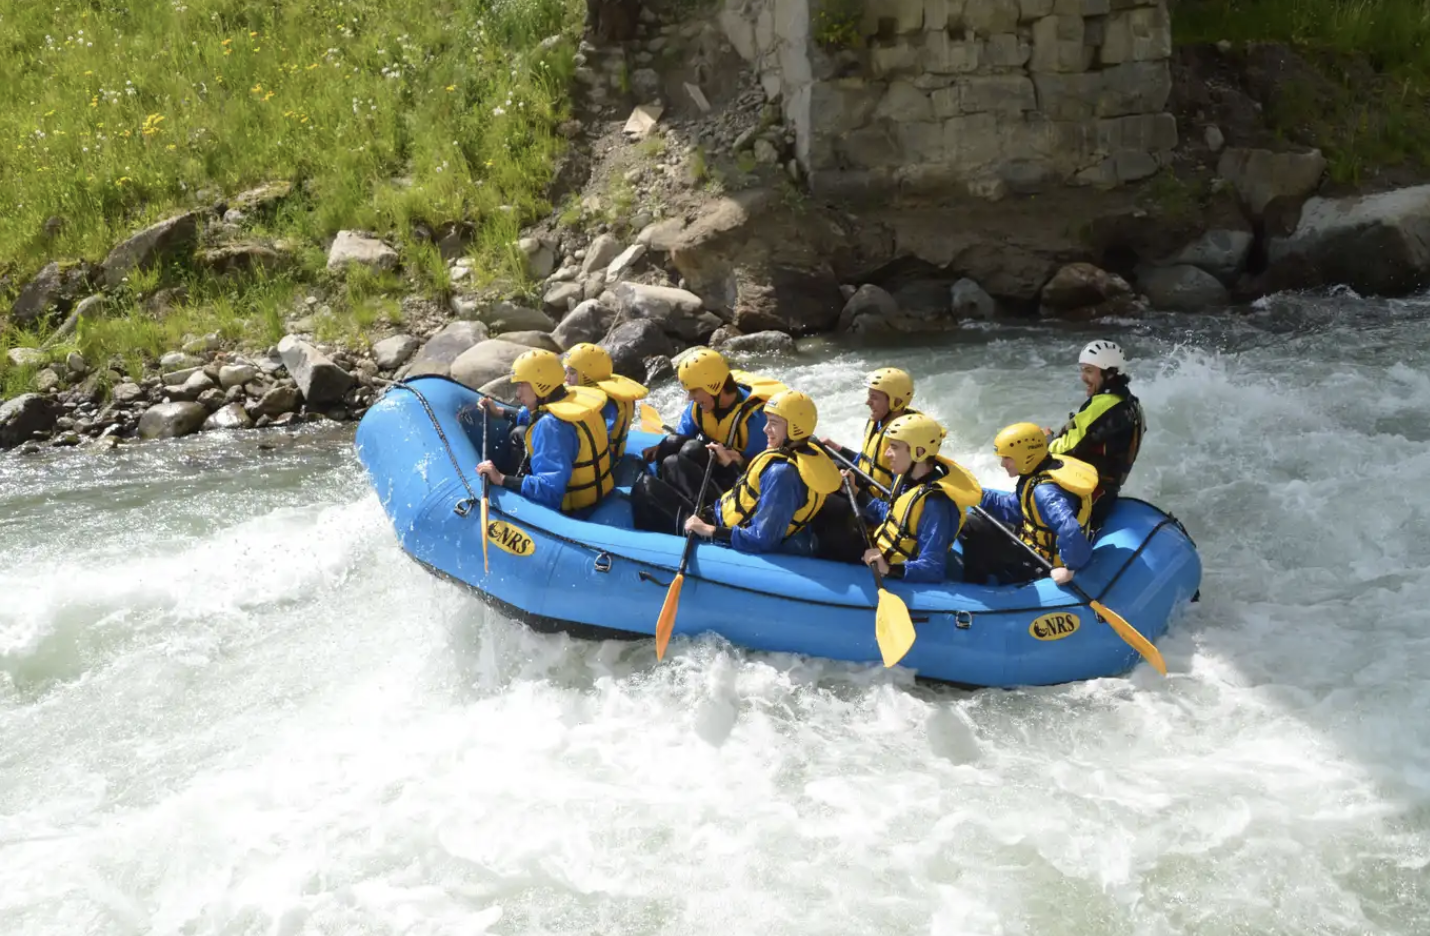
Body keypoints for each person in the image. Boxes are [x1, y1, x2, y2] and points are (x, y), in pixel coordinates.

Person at [680, 389, 843, 556]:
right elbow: (755, 493)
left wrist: (709, 530)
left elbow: (763, 539)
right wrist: (730, 465)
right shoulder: (805, 453)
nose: (765, 429)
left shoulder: (783, 474)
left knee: (659, 488)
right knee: (674, 464)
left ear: (795, 428)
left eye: (773, 423)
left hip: (730, 534)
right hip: (724, 514)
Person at [474, 349, 616, 514]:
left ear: (540, 386)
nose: (518, 394)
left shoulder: (550, 426)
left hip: (573, 509)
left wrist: (501, 479)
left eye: (521, 385)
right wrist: (500, 412)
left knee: (518, 436)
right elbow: (533, 415)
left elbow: (549, 492)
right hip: (598, 492)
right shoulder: (573, 400)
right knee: (518, 434)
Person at [957, 422, 1098, 586]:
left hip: (1040, 562)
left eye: (1007, 458)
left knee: (969, 527)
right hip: (1032, 542)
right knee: (977, 520)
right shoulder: (1041, 472)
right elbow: (1012, 508)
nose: (1003, 464)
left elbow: (1070, 529)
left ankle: (976, 586)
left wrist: (1069, 569)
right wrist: (976, 494)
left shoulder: (1045, 493)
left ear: (1025, 456)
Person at [641, 347, 787, 502]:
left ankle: (706, 508)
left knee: (689, 452)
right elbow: (679, 438)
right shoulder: (699, 406)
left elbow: (765, 473)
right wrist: (660, 448)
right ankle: (667, 487)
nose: (690, 398)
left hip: (739, 480)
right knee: (672, 444)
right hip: (713, 467)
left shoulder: (756, 419)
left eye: (694, 391)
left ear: (714, 386)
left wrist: (742, 462)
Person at [859, 413, 978, 583]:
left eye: (894, 447)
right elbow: (894, 517)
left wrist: (888, 568)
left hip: (902, 568)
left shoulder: (936, 504)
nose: (886, 454)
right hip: (882, 550)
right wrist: (858, 494)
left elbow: (932, 568)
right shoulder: (905, 478)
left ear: (919, 452)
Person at [1044, 340, 1146, 530]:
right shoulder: (1130, 401)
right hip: (1105, 492)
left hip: (1087, 497)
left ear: (1110, 373)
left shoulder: (1103, 405)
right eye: (1083, 370)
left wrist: (1046, 440)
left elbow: (1067, 449)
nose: (1083, 377)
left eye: (1089, 371)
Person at [821, 367, 916, 495]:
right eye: (869, 396)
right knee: (816, 448)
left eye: (874, 397)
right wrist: (837, 448)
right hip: (864, 482)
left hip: (875, 499)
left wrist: (858, 493)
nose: (867, 402)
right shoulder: (878, 422)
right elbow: (867, 461)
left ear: (896, 402)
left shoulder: (905, 438)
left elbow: (899, 495)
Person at [561, 342, 649, 466]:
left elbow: (599, 442)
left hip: (602, 463)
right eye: (566, 371)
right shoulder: (589, 394)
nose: (566, 378)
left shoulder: (605, 403)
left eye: (572, 372)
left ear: (587, 376)